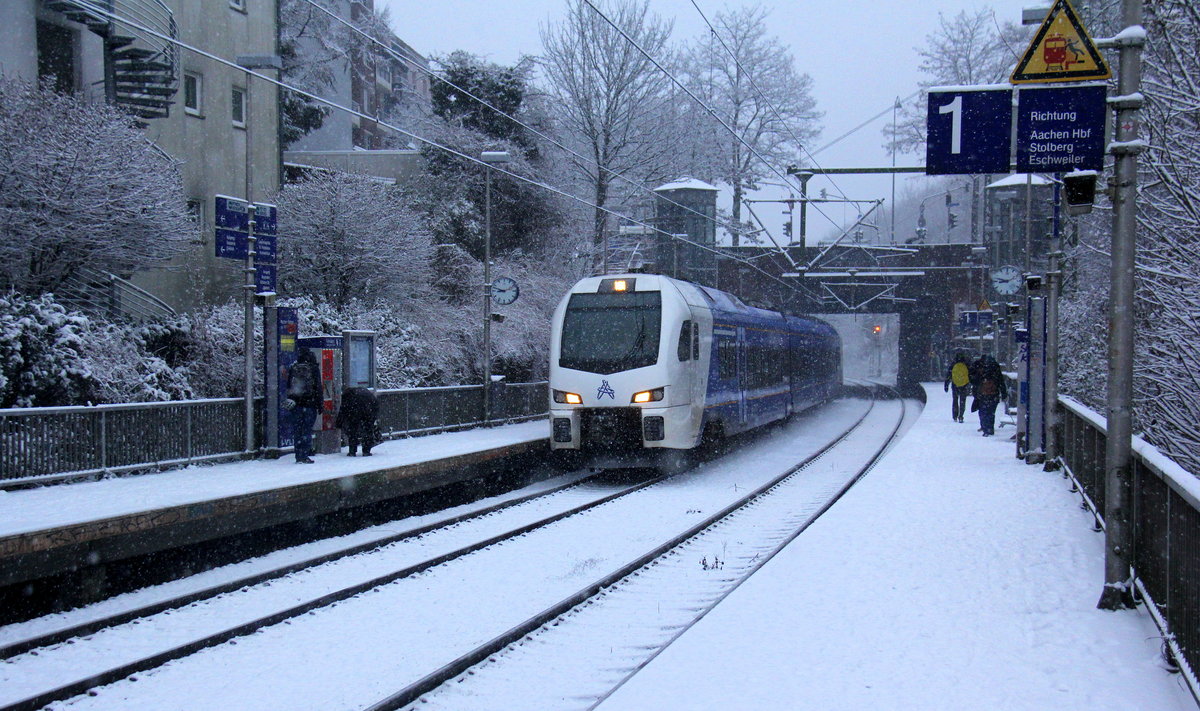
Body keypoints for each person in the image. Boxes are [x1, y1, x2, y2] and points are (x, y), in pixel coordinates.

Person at [285, 348, 324, 463]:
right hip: (310, 405)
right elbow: (318, 388)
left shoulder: (294, 368)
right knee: (306, 431)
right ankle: (305, 455)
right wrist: (320, 404)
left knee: (297, 431)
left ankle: (298, 455)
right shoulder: (313, 368)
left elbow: (289, 386)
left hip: (296, 405)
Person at [335, 387, 380, 456]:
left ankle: (352, 451)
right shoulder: (366, 393)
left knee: (353, 430)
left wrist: (338, 423)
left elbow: (343, 409)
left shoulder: (347, 396)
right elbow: (375, 405)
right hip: (369, 409)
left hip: (355, 411)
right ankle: (366, 450)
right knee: (368, 429)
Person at [971, 354, 1008, 437]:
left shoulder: (979, 366)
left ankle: (985, 427)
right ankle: (990, 428)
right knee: (991, 411)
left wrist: (975, 391)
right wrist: (1004, 393)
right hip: (994, 393)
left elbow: (974, 380)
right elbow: (1001, 381)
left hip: (982, 393)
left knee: (983, 411)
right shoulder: (995, 367)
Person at [943, 352, 971, 423]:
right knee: (962, 401)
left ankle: (955, 416)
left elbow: (949, 375)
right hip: (964, 385)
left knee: (955, 400)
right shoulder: (966, 364)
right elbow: (970, 374)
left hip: (955, 385)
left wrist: (946, 385)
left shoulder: (953, 364)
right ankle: (961, 416)